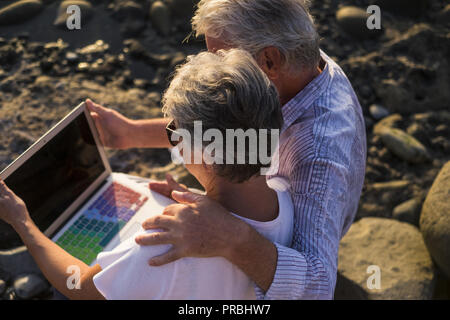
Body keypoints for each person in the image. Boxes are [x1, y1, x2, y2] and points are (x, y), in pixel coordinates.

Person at [86, 0, 367, 299]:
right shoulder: (300, 62)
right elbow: (220, 118)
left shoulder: (317, 153)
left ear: (270, 60)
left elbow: (319, 285)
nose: (210, 66)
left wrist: (229, 236)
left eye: (220, 56)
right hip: (261, 208)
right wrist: (131, 133)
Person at [0, 49, 293, 299]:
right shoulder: (284, 196)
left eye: (173, 131)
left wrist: (23, 222)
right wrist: (199, 198)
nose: (172, 139)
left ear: (204, 152)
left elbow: (81, 287)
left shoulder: (167, 242)